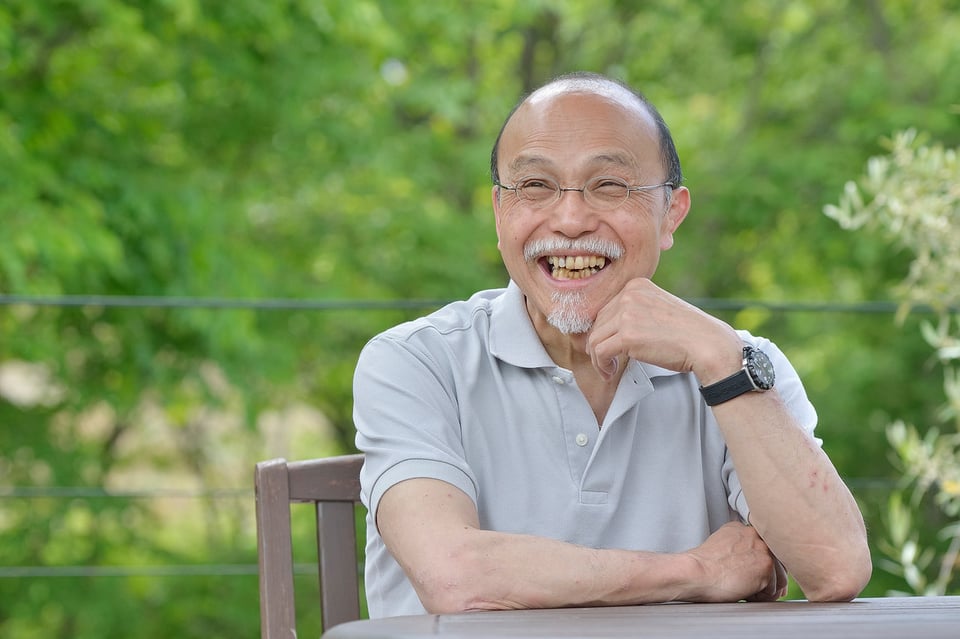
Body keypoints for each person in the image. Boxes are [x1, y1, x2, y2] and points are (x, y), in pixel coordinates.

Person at [353, 71, 871, 618]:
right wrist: (698, 571)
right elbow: (456, 578)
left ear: (672, 213)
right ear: (499, 212)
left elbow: (836, 569)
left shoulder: (738, 366)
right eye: (535, 186)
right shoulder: (415, 361)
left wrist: (722, 361)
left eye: (609, 186)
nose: (570, 220)